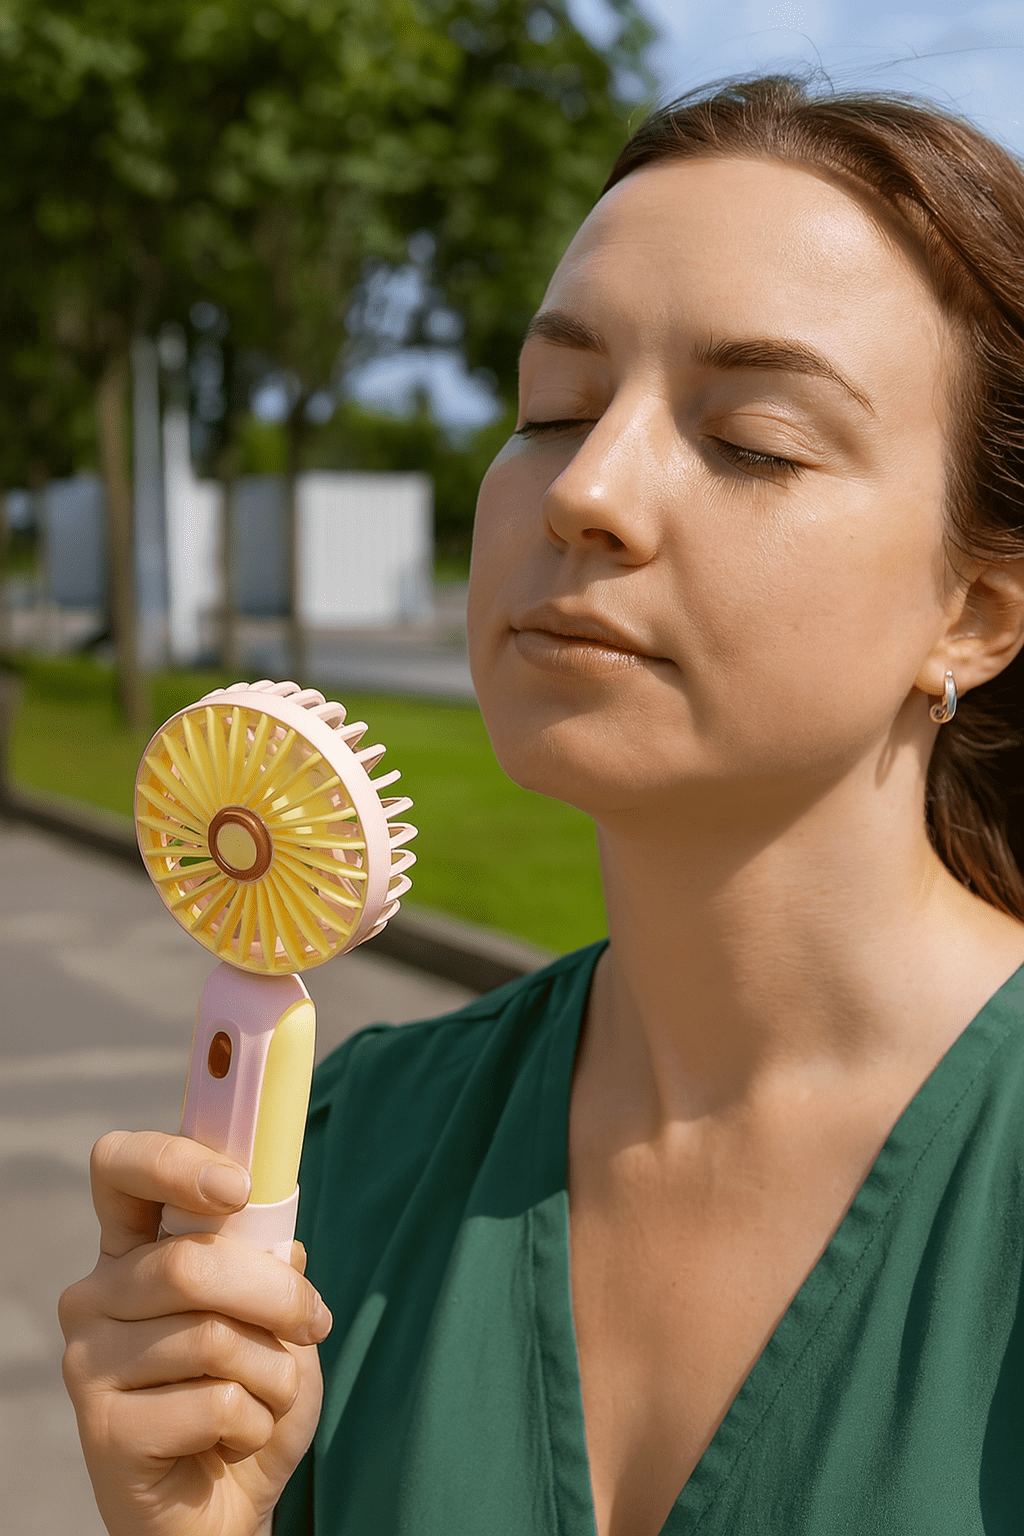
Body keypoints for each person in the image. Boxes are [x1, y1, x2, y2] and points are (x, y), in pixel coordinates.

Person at [60, 74, 1024, 1536]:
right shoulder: (343, 1150)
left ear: (977, 611)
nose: (589, 485)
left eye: (752, 436)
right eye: (555, 405)